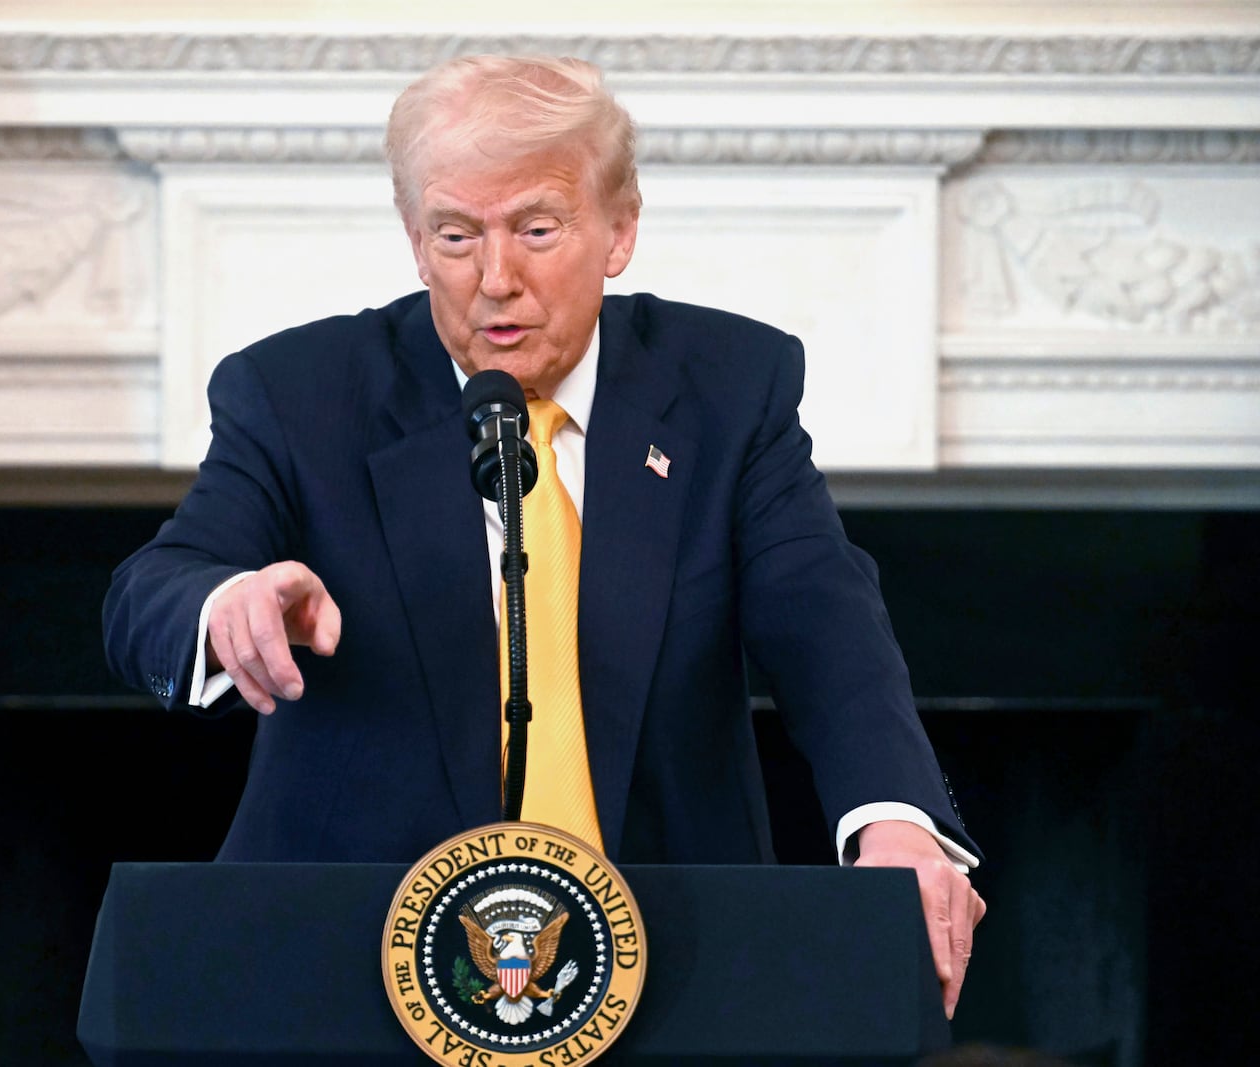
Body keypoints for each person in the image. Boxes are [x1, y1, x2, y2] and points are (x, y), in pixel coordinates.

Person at [103, 54, 986, 1017]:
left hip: (673, 964)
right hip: (346, 969)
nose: (495, 280)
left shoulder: (730, 386)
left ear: (620, 230)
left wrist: (896, 817)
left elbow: (826, 619)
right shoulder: (299, 392)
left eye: (536, 229)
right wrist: (225, 603)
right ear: (414, 240)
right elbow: (158, 585)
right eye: (455, 235)